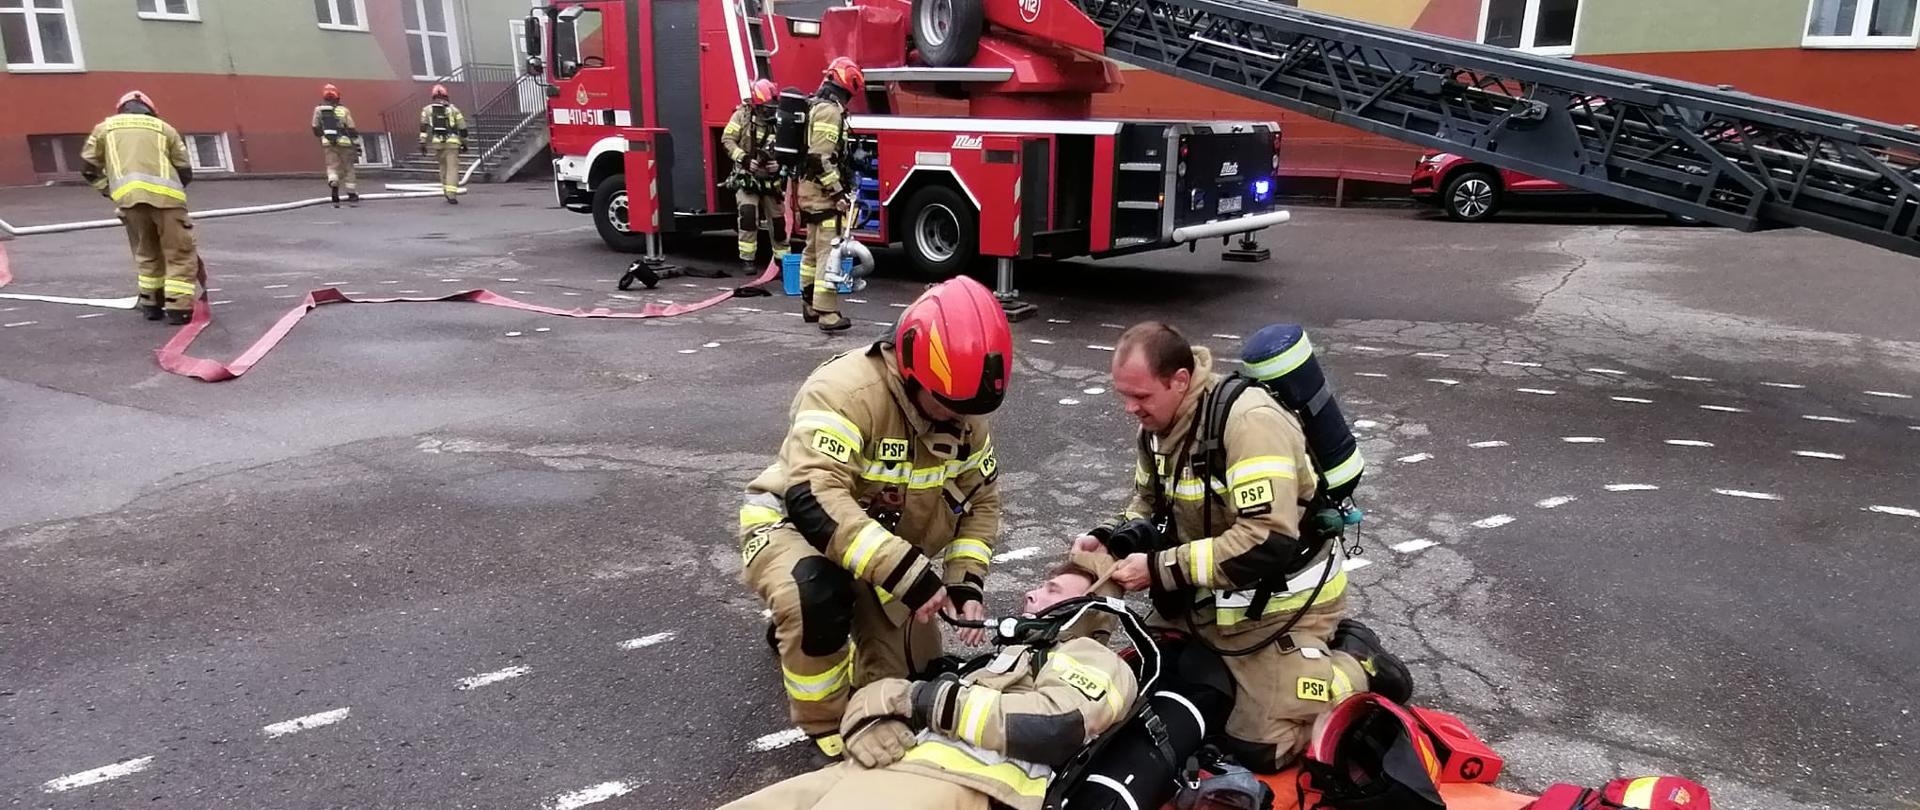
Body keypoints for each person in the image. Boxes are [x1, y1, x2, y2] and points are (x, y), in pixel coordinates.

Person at [1076, 322, 1402, 773]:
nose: (1130, 408)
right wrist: (1114, 534)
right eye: (1123, 395)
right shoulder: (1158, 427)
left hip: (1280, 607)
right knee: (1150, 686)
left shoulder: (1250, 423)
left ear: (1180, 380)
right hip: (1209, 597)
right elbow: (1148, 503)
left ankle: (1355, 664)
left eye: (1141, 396)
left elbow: (1266, 540)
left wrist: (1158, 568)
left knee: (1260, 746)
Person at [739, 276, 1011, 759]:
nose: (960, 420)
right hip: (796, 528)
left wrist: (965, 583)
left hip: (882, 550)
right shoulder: (846, 391)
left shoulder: (963, 412)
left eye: (969, 410)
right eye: (950, 406)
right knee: (815, 595)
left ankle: (816, 629)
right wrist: (908, 575)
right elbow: (812, 495)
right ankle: (827, 726)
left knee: (913, 680)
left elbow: (981, 502)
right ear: (911, 369)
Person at [718, 552, 1138, 810]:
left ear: (1091, 610)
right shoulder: (1001, 660)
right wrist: (870, 717)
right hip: (882, 769)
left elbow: (1055, 726)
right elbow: (903, 697)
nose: (1031, 594)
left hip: (960, 784)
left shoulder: (1091, 656)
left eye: (1051, 590)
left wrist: (921, 700)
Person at [80, 91, 199, 325]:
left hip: (129, 203)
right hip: (168, 203)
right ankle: (179, 309)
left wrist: (110, 190)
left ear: (121, 109)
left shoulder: (104, 129)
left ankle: (151, 305)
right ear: (150, 109)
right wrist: (176, 192)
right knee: (179, 254)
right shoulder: (165, 129)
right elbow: (184, 168)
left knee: (146, 252)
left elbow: (88, 168)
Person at [795, 58, 862, 332]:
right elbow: (820, 158)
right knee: (828, 251)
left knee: (812, 249)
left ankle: (809, 304)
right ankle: (827, 312)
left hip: (809, 191)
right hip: (822, 193)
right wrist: (838, 194)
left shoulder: (816, 106)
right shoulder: (829, 112)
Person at [724, 78, 787, 281]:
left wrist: (779, 164)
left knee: (778, 223)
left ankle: (782, 261)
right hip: (747, 177)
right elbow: (727, 140)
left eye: (772, 107)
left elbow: (789, 149)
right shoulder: (741, 116)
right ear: (756, 105)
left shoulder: (779, 120)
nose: (770, 112)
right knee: (748, 214)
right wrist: (744, 159)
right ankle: (748, 259)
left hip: (771, 179)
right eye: (766, 108)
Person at [418, 84, 469, 204]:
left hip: (437, 144)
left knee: (443, 168)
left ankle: (446, 191)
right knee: (452, 168)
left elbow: (423, 128)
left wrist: (423, 142)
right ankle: (451, 195)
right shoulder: (454, 110)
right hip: (452, 144)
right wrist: (464, 143)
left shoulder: (427, 110)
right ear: (446, 96)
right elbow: (463, 128)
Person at [312, 83, 360, 207]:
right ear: (337, 96)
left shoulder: (318, 110)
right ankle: (352, 194)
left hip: (328, 143)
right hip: (345, 143)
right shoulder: (344, 110)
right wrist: (357, 145)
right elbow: (351, 128)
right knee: (348, 168)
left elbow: (315, 127)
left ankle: (333, 184)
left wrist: (323, 136)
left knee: (332, 166)